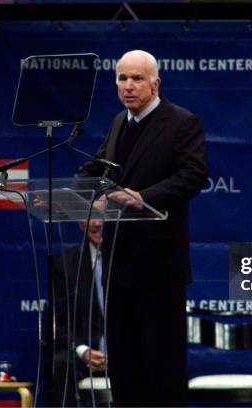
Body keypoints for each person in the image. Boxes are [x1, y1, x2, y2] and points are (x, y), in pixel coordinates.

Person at [77, 49, 208, 406]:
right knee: (125, 371)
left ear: (156, 83)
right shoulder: (120, 122)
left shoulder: (181, 122)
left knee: (162, 371)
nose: (128, 86)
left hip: (159, 268)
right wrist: (69, 192)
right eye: (122, 78)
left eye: (137, 78)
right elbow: (100, 168)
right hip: (119, 266)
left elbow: (194, 175)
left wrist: (145, 196)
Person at [52, 220, 107, 407]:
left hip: (126, 350)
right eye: (93, 216)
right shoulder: (65, 264)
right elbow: (60, 321)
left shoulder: (135, 260)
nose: (98, 223)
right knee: (61, 364)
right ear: (81, 223)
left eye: (104, 215)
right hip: (86, 351)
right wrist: (83, 350)